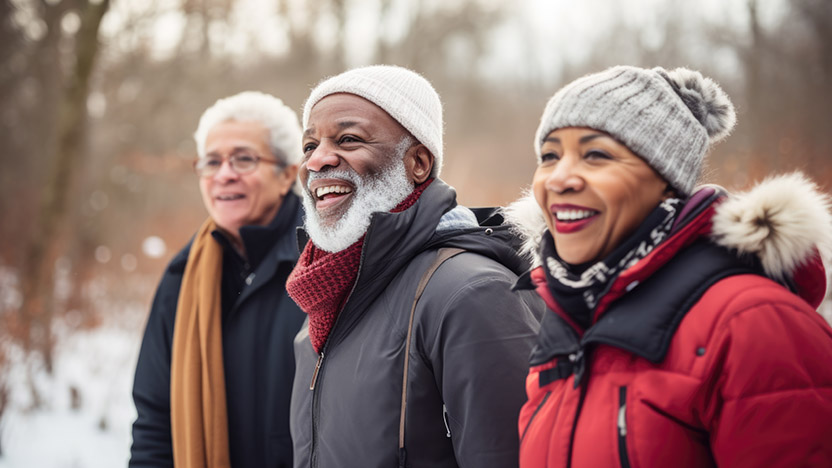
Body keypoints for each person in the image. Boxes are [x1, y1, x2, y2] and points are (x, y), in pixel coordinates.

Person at [504, 65, 832, 467]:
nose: (558, 178)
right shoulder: (568, 317)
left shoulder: (755, 323)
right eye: (550, 155)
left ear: (665, 178)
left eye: (596, 154)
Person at [287, 64, 543, 468]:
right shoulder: (326, 300)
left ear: (418, 163)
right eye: (308, 146)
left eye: (348, 139)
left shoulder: (470, 293)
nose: (317, 160)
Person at [129, 91, 306, 468]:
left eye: (244, 158)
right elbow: (155, 421)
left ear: (288, 173)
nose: (224, 173)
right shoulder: (182, 278)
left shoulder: (326, 266)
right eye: (212, 162)